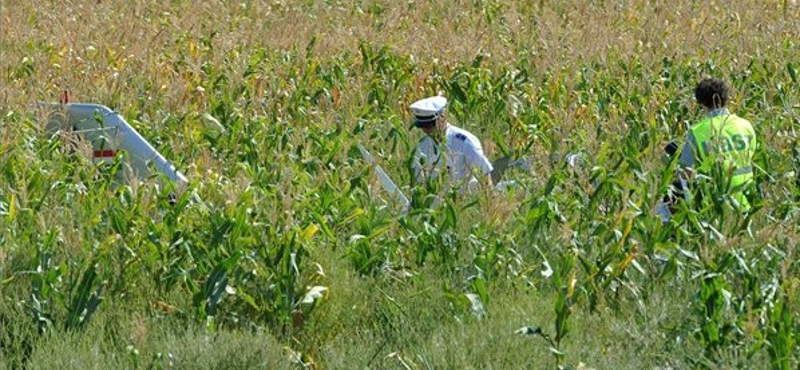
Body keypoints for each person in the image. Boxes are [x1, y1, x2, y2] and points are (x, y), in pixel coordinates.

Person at [674, 77, 757, 213]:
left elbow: (684, 172)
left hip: (715, 204)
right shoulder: (745, 125)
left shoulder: (698, 131)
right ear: (725, 98)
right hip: (746, 200)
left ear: (701, 103)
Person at [409, 96, 493, 189]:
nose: (427, 129)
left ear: (442, 118)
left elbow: (485, 176)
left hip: (462, 199)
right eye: (423, 126)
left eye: (430, 125)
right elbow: (417, 181)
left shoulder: (464, 141)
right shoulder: (422, 146)